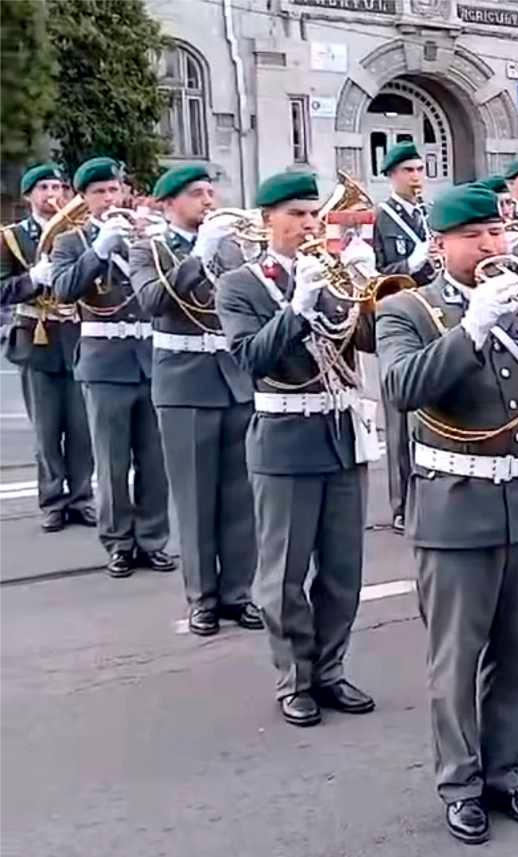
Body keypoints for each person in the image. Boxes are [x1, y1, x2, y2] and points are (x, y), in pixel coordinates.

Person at [376, 184, 518, 846]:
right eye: (476, 236)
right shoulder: (407, 308)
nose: (493, 246)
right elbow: (402, 389)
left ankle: (505, 769)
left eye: (497, 233)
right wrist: (472, 327)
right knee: (456, 661)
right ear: (441, 245)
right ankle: (460, 782)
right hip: (456, 508)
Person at [216, 171, 381, 727]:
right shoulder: (240, 284)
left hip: (339, 436)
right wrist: (299, 306)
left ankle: (331, 670)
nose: (310, 225)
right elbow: (250, 359)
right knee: (284, 573)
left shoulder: (333, 275)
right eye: (296, 216)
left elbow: (371, 344)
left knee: (342, 570)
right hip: (284, 440)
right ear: (268, 222)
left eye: (315, 216)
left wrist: (368, 291)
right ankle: (296, 677)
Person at [132, 164, 260, 636]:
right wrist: (198, 257)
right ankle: (202, 598)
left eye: (210, 192)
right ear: (168, 204)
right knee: (195, 498)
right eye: (195, 194)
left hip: (232, 379)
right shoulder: (148, 247)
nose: (208, 201)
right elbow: (152, 302)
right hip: (184, 385)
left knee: (239, 498)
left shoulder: (229, 247)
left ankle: (238, 593)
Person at [47, 157, 173, 578]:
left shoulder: (143, 237)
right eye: (99, 192)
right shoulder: (72, 241)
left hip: (151, 359)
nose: (109, 199)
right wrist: (98, 251)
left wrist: (159, 241)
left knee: (154, 461)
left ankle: (153, 538)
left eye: (114, 190)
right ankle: (119, 541)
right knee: (113, 461)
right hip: (104, 364)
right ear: (83, 199)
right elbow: (63, 291)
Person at [1, 163, 95, 533]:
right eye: (43, 187)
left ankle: (82, 497)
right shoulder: (11, 237)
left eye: (58, 186)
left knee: (81, 427)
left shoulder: (80, 233)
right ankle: (53, 499)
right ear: (28, 196)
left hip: (76, 336)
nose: (52, 194)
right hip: (35, 339)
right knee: (47, 428)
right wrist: (32, 280)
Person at [371, 142, 434, 533]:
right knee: (399, 417)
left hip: (430, 311)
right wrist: (415, 260)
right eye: (408, 171)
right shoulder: (383, 217)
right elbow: (380, 272)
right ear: (392, 175)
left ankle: (428, 491)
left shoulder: (426, 215)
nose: (416, 177)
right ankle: (401, 503)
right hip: (398, 314)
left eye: (420, 169)